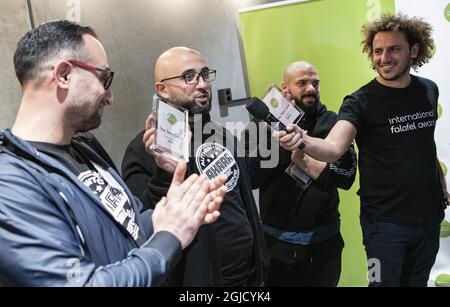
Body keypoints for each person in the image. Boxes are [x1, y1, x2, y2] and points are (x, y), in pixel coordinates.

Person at [0, 20, 227, 287]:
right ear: (63, 75)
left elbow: (130, 227)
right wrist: (171, 235)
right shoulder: (10, 183)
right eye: (103, 77)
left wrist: (171, 211)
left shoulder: (86, 149)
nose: (109, 96)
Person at [274, 14, 449, 287]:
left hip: (429, 218)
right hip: (385, 227)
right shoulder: (360, 101)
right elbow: (333, 147)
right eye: (378, 51)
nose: (384, 58)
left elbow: (422, 141)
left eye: (394, 49)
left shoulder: (428, 90)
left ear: (414, 50)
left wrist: (436, 172)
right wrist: (302, 139)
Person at [122, 47, 269, 286]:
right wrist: (163, 174)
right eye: (188, 77)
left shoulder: (221, 133)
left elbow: (244, 190)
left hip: (251, 275)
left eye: (204, 74)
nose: (201, 84)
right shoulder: (144, 148)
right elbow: (138, 224)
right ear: (162, 89)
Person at [244, 61, 357, 286]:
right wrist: (275, 130)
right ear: (285, 88)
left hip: (324, 242)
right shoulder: (260, 126)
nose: (311, 89)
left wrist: (304, 157)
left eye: (315, 83)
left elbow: (346, 177)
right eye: (302, 83)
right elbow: (251, 178)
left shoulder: (333, 124)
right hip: (276, 242)